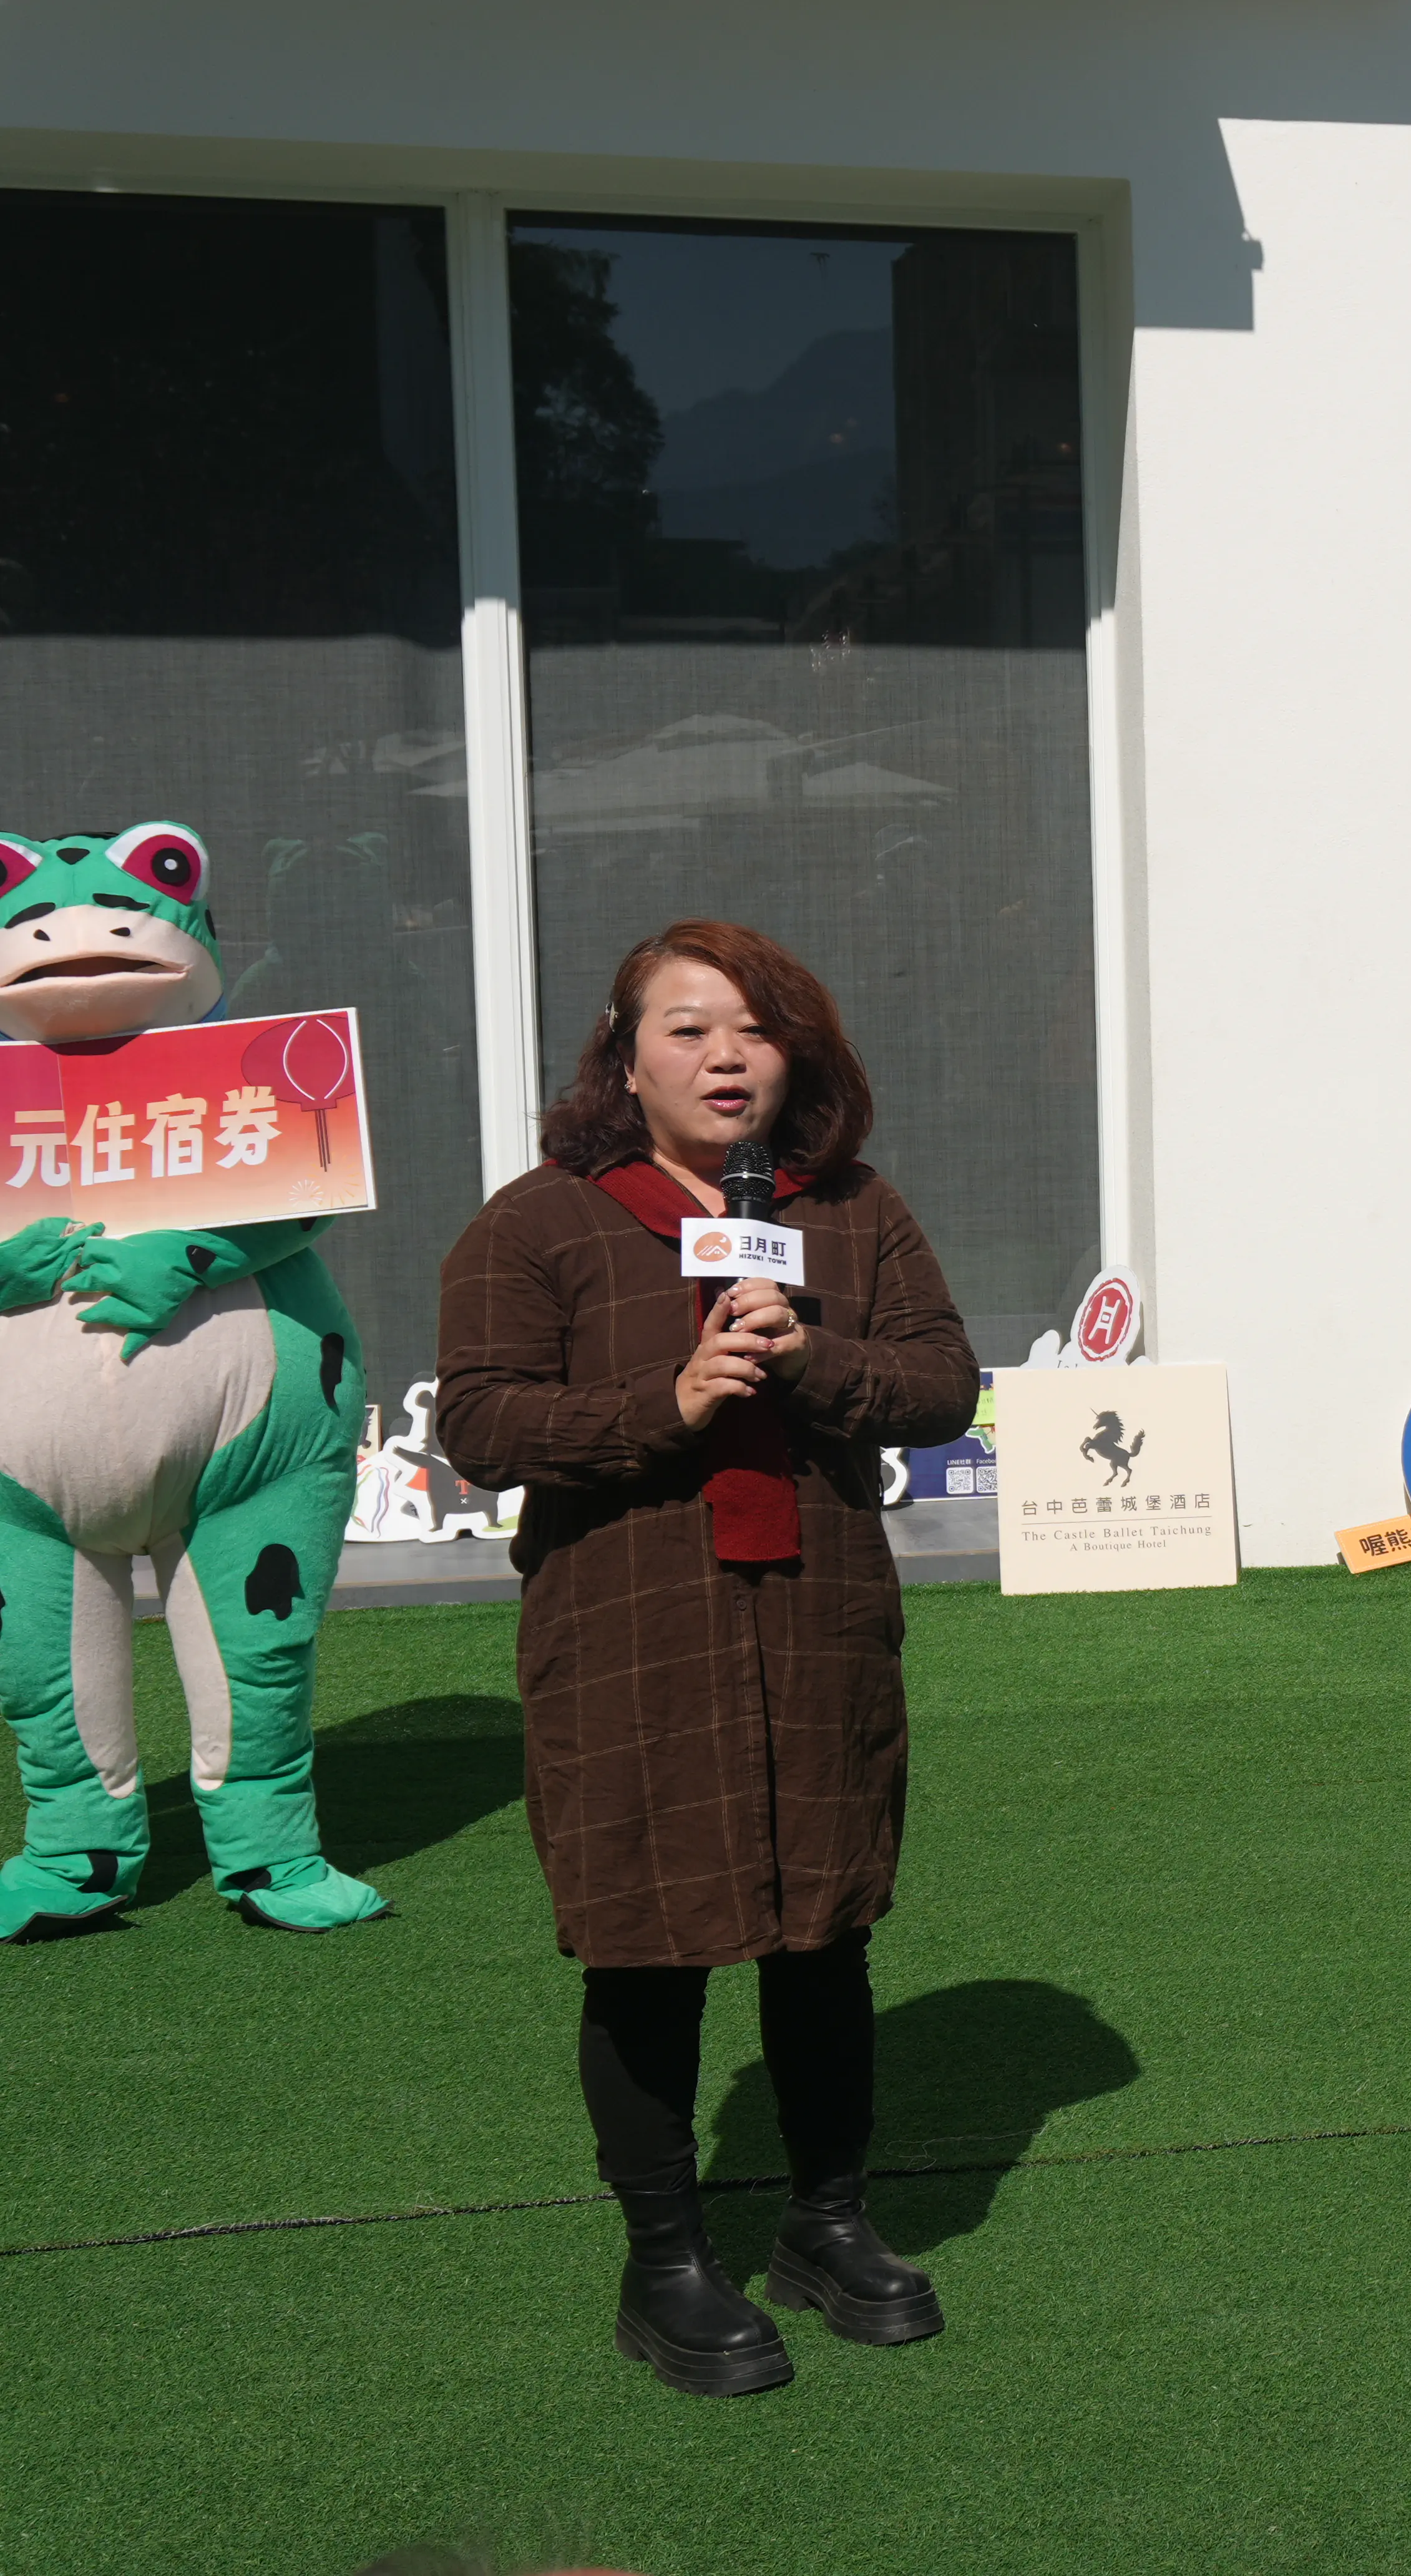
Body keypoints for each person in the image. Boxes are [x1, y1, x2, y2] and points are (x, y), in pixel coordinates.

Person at [436, 922, 978, 2398]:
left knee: (823, 1932)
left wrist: (816, 1361)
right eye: (686, 1028)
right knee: (645, 1941)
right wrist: (660, 1399)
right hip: (627, 1628)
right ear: (624, 1058)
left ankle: (825, 2219)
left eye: (754, 1027)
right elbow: (477, 1421)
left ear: (799, 1053)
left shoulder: (851, 1212)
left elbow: (943, 1385)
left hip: (815, 1614)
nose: (725, 1055)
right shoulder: (540, 1221)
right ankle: (665, 2261)